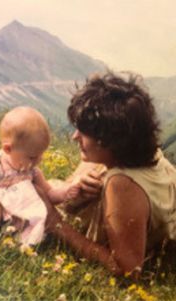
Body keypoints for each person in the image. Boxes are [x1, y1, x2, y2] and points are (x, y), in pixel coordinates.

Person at [38, 71, 176, 277]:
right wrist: (78, 186)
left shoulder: (123, 183)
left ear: (111, 139)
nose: (75, 136)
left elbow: (127, 268)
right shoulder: (147, 153)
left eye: (84, 132)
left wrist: (55, 224)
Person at [0, 106, 80, 246]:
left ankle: (21, 239)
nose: (38, 161)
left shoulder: (32, 172)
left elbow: (49, 194)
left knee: (34, 216)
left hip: (17, 218)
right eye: (32, 157)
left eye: (41, 155)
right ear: (8, 149)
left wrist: (65, 193)